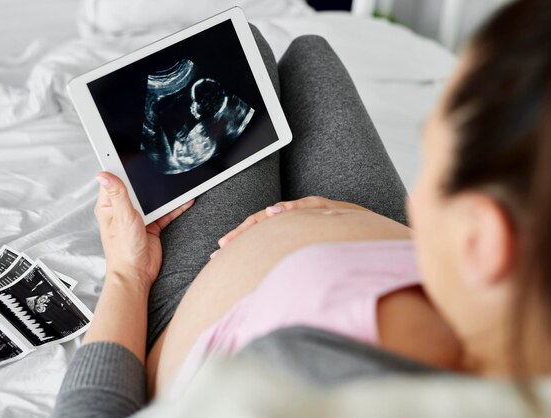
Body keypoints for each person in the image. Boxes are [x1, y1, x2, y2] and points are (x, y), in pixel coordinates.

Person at [52, 1, 551, 416]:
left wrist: (126, 273)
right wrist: (349, 219)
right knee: (305, 52)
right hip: (378, 235)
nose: (418, 195)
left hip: (203, 291)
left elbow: (93, 410)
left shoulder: (273, 390)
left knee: (244, 47)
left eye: (433, 170)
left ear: (485, 239)